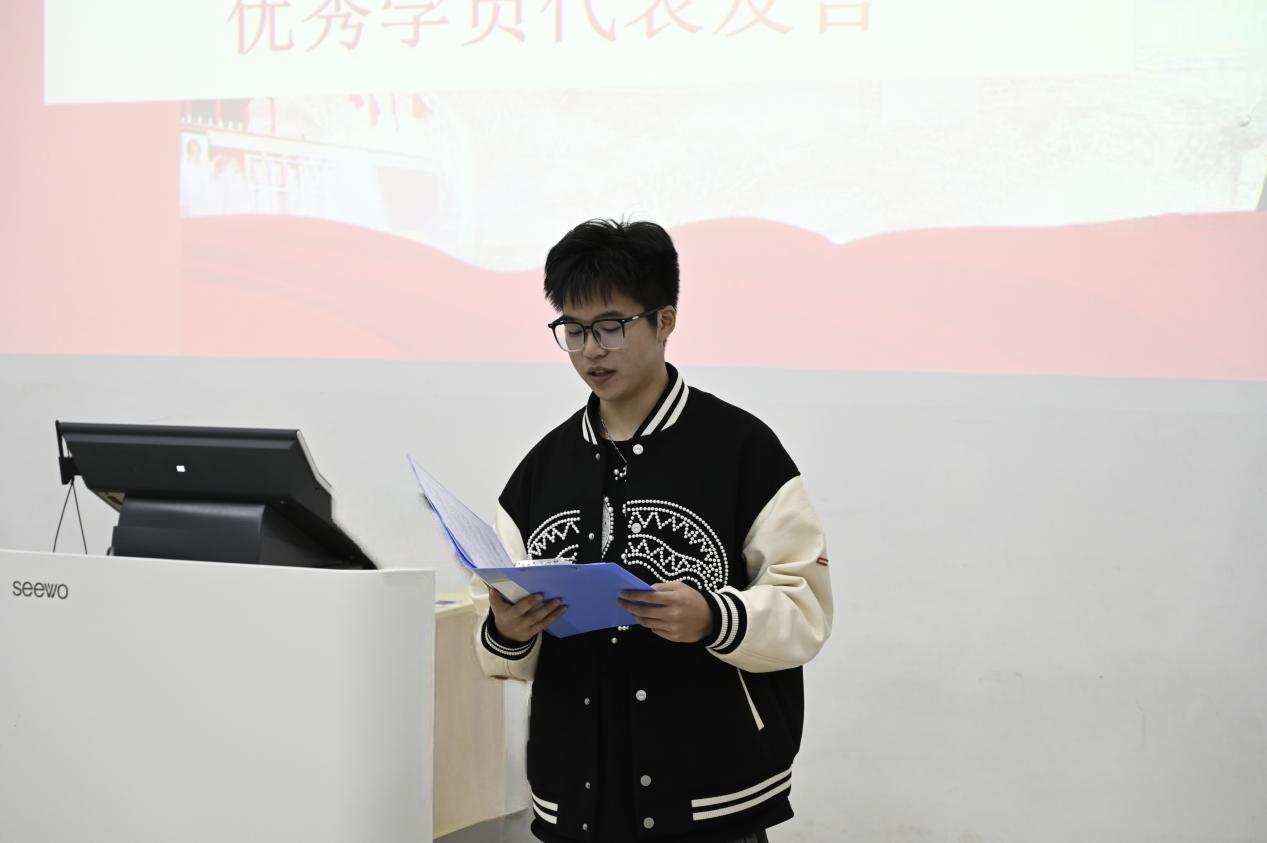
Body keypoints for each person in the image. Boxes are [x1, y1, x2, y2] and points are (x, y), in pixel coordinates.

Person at [471, 219, 833, 843]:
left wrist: (713, 618)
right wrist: (507, 630)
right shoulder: (541, 469)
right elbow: (505, 649)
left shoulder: (743, 450)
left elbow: (806, 611)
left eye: (611, 326)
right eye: (574, 330)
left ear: (665, 321)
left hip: (710, 795)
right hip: (577, 797)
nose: (592, 350)